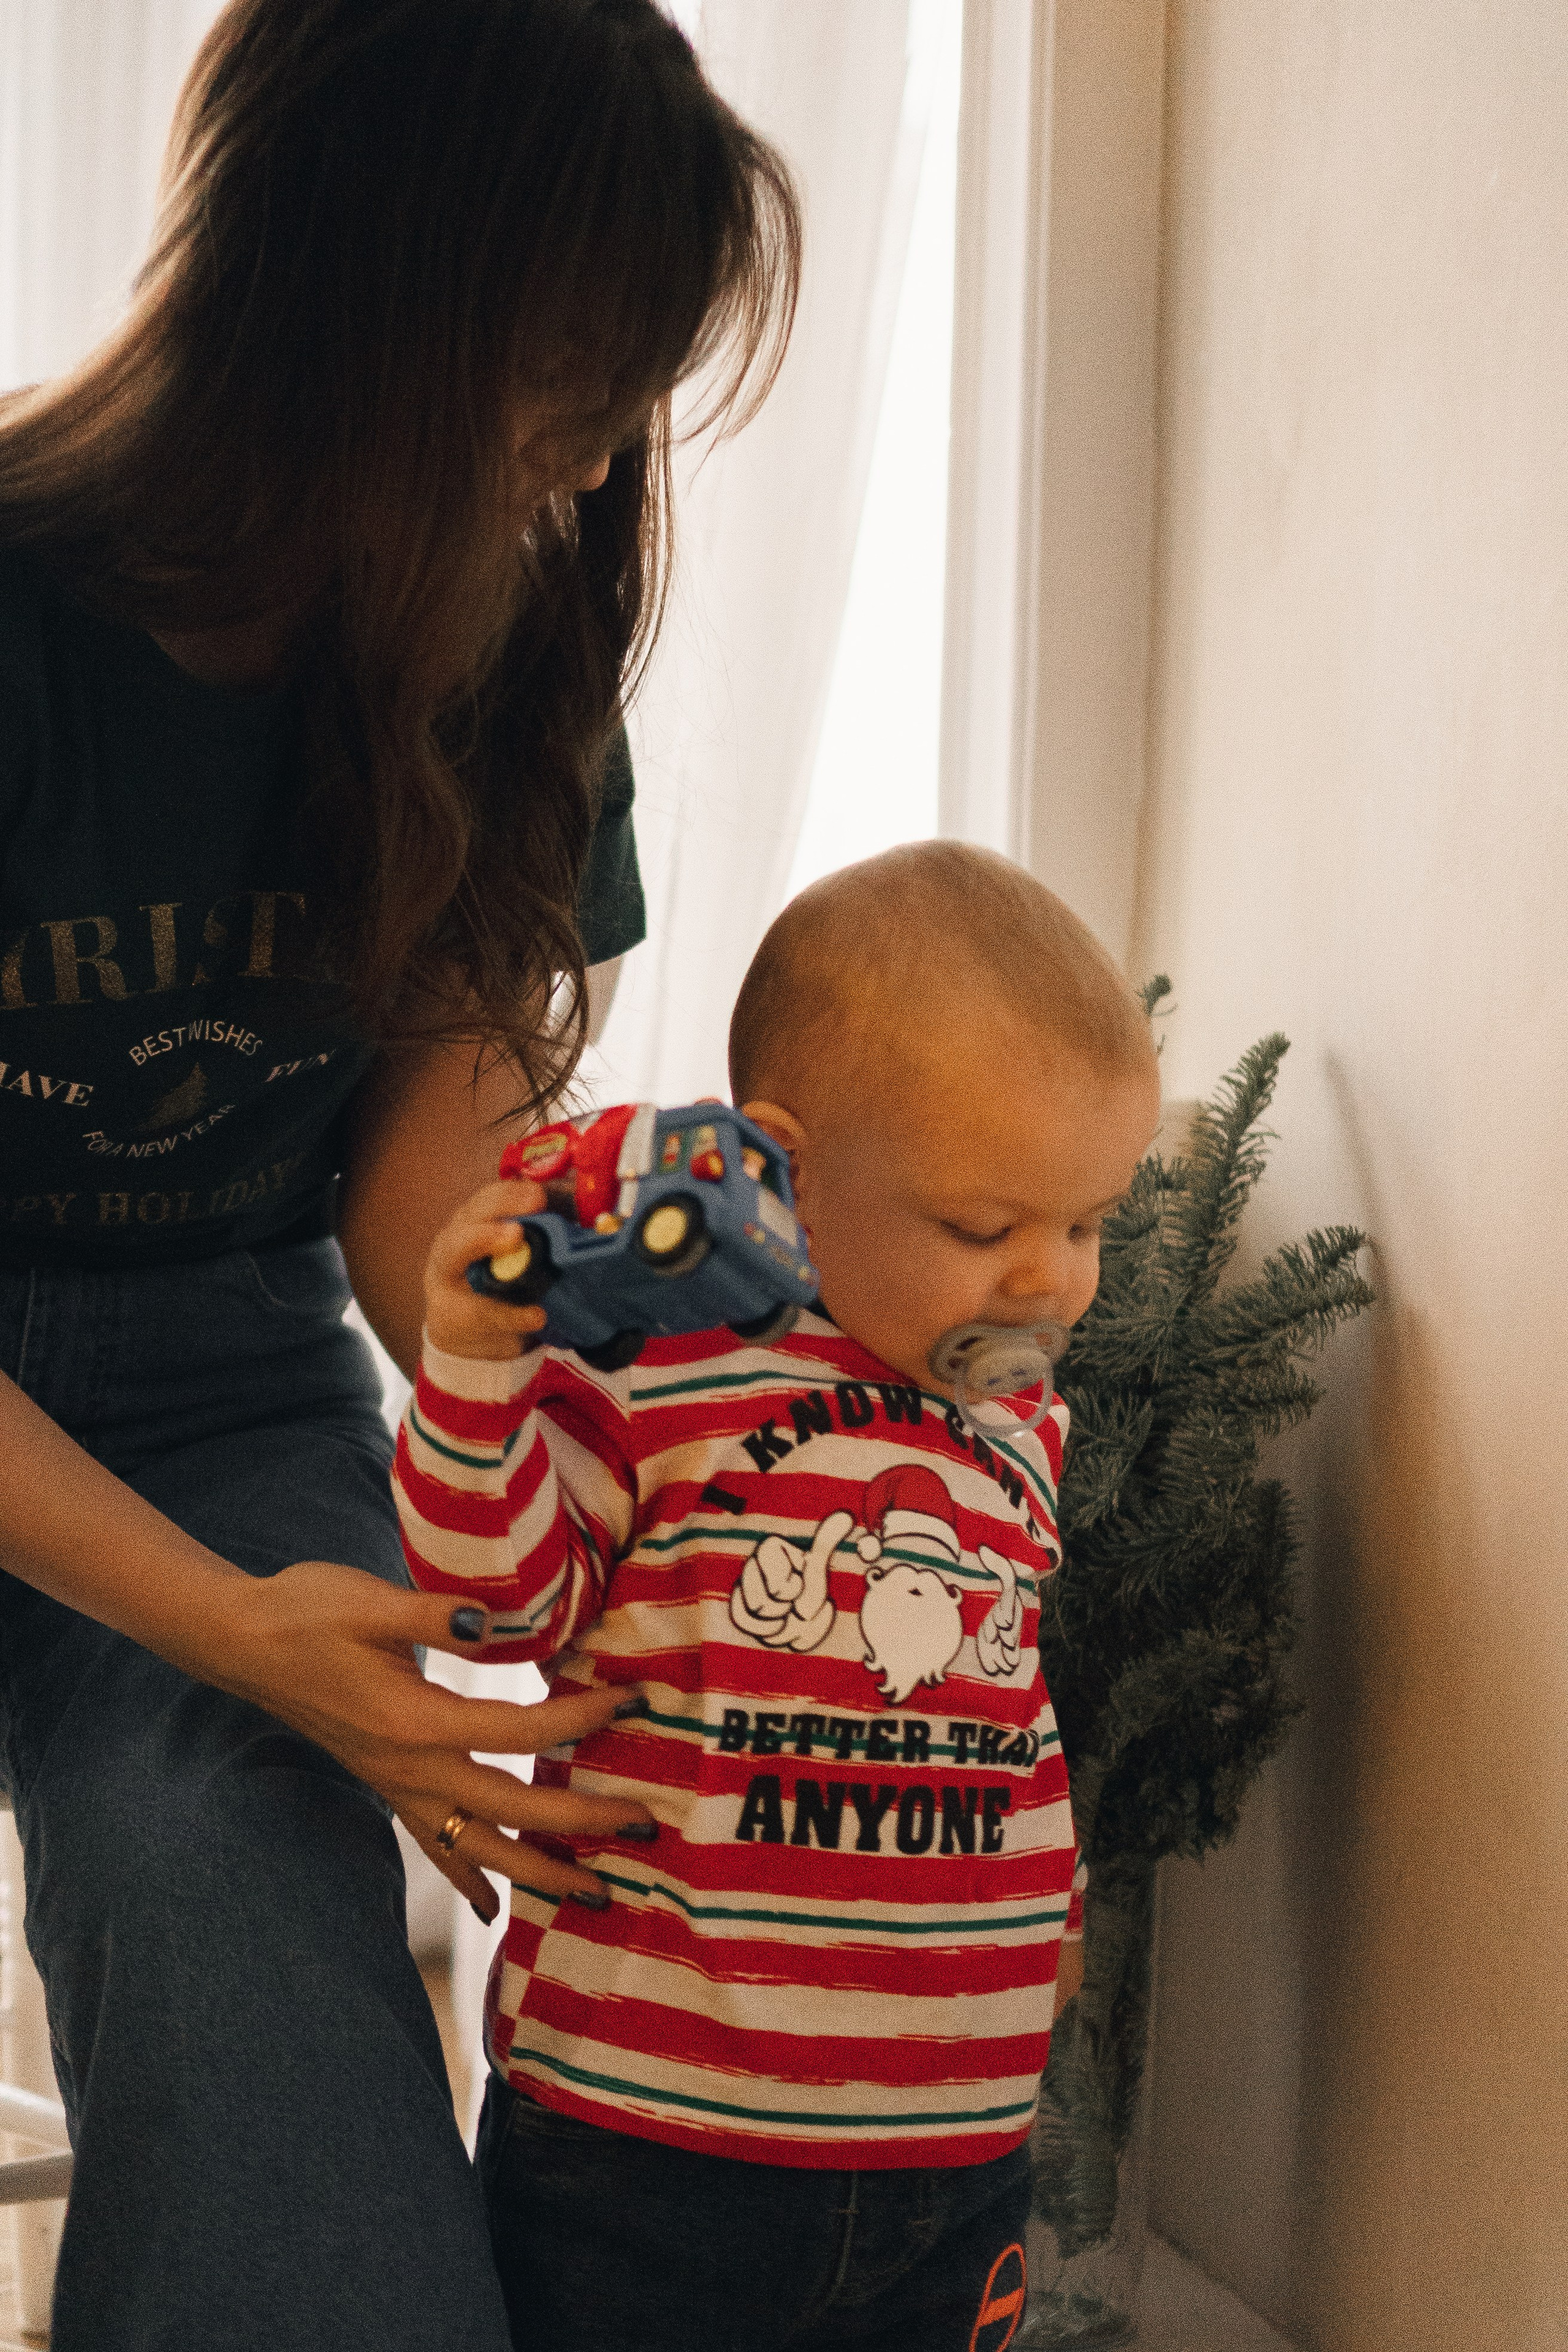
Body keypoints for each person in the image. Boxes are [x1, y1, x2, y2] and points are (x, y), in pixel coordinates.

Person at [0, 4, 799, 2348]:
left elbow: (421, 1217)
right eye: (553, 382)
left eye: (612, 398)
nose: (577, 467)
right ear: (335, 300)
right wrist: (234, 1625)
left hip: (221, 1386)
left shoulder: (504, 642)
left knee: (237, 1898)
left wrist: (669, 1453)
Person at [395, 842, 1164, 2352]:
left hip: (949, 2139)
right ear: (784, 1166)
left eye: (1084, 1225)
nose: (1046, 1285)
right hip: (649, 2137)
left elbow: (1004, 1687)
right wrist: (475, 1363)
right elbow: (496, 1605)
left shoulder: (1024, 1425)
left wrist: (1048, 1904)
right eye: (981, 1227)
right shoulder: (657, 1376)